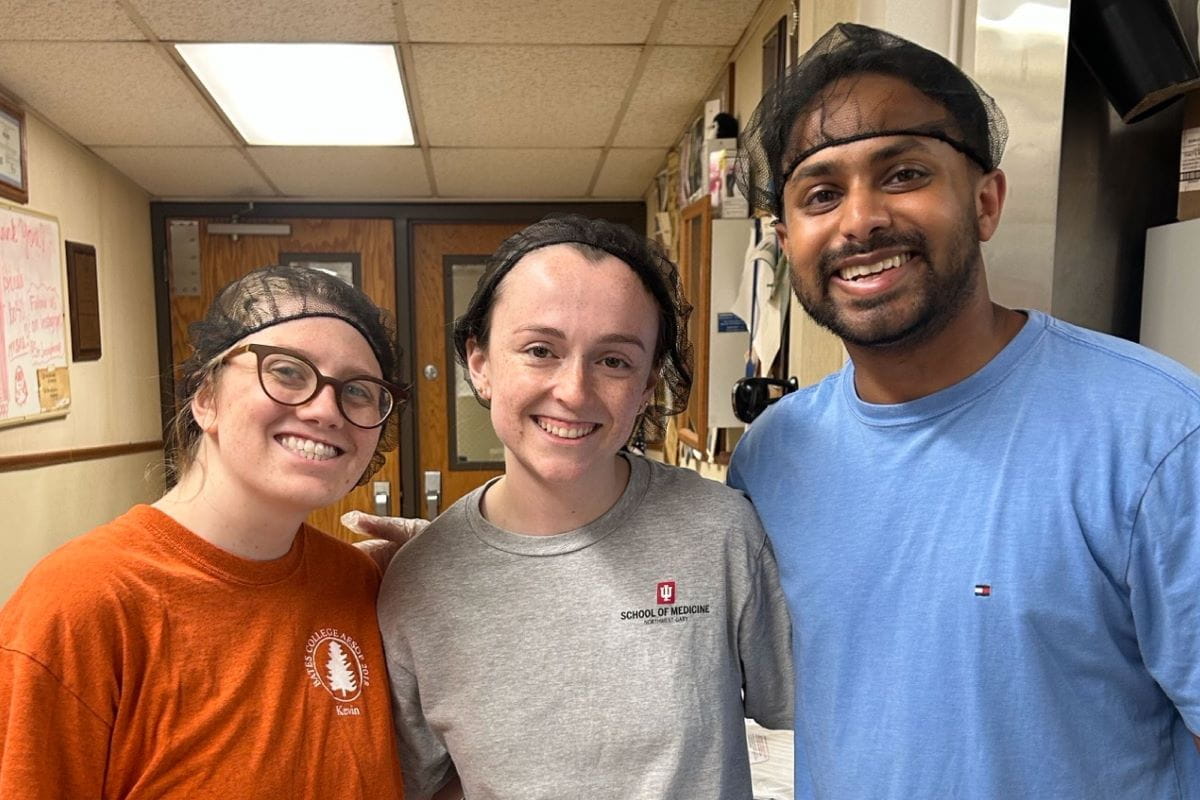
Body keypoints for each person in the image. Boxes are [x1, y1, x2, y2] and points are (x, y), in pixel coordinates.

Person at [728, 22, 1200, 798]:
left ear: (985, 201)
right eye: (821, 194)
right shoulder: (773, 457)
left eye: (903, 173)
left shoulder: (1158, 438)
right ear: (787, 241)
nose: (860, 220)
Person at [376, 215, 793, 800]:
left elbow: (804, 710)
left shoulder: (719, 531)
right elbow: (420, 784)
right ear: (480, 362)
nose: (574, 391)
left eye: (615, 360)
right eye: (540, 350)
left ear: (648, 384)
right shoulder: (418, 583)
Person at [0, 265, 407, 798]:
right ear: (205, 397)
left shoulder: (359, 583)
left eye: (357, 390)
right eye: (287, 371)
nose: (326, 409)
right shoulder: (82, 603)